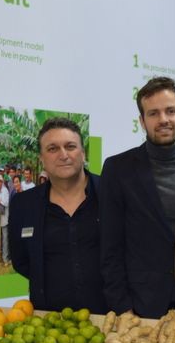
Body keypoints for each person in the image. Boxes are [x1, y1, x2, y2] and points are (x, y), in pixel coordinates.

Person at [101, 76, 175, 320]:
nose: (163, 119)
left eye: (170, 111)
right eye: (153, 113)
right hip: (142, 305)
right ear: (142, 121)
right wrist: (122, 307)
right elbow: (110, 245)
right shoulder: (117, 169)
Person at [8, 118, 106, 313]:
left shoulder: (110, 193)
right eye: (52, 149)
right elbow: (21, 260)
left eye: (70, 146)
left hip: (112, 317)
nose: (63, 155)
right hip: (49, 320)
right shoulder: (23, 204)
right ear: (42, 158)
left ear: (83, 153)